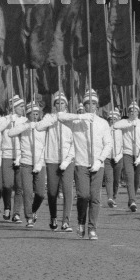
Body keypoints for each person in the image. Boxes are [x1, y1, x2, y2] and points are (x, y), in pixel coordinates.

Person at [57, 90, 112, 240]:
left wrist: (100, 160)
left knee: (95, 198)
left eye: (93, 103)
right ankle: (81, 222)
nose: (91, 106)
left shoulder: (103, 123)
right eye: (88, 103)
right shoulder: (77, 122)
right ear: (84, 105)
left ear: (97, 106)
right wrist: (81, 116)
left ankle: (92, 228)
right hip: (81, 164)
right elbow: (60, 116)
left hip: (97, 165)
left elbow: (108, 144)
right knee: (83, 195)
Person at [34, 93, 75, 231]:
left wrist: (68, 159)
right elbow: (39, 127)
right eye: (57, 103)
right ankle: (53, 216)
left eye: (62, 103)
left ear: (66, 105)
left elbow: (75, 142)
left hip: (67, 159)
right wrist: (54, 119)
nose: (60, 105)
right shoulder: (49, 117)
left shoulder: (71, 119)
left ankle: (66, 221)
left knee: (68, 190)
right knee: (52, 192)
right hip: (52, 159)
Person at [8, 102, 48, 227]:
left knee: (41, 193)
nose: (35, 116)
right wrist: (26, 126)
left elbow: (46, 146)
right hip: (26, 163)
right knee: (27, 191)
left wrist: (40, 163)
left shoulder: (43, 127)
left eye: (37, 114)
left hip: (40, 164)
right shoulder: (23, 125)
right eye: (32, 114)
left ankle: (33, 209)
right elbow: (11, 133)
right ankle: (29, 217)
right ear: (28, 114)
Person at [0, 96, 27, 222]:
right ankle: (7, 207)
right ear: (14, 107)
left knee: (19, 187)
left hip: (21, 155)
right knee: (7, 185)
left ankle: (16, 213)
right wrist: (8, 121)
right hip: (7, 155)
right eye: (21, 106)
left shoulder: (25, 120)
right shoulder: (4, 119)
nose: (23, 108)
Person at [110, 103, 140, 212]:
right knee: (129, 177)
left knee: (137, 180)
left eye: (135, 111)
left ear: (138, 112)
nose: (133, 113)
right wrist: (129, 124)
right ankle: (132, 200)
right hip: (127, 153)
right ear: (128, 113)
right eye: (131, 111)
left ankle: (132, 198)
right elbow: (115, 126)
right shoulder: (124, 122)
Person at [103, 110, 123, 209]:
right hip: (107, 158)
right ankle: (110, 197)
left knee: (116, 180)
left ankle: (114, 196)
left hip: (118, 158)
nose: (112, 121)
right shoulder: (105, 130)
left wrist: (118, 156)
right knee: (108, 179)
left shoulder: (121, 130)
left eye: (114, 119)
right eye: (111, 119)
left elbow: (124, 146)